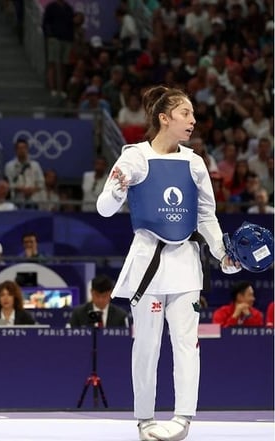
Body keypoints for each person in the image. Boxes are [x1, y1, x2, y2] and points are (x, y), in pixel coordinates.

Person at [96, 85, 241, 441]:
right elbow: (104, 208)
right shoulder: (134, 157)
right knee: (146, 343)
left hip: (185, 264)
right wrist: (117, 187)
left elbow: (206, 216)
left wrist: (222, 252)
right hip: (148, 264)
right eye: (185, 114)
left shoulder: (194, 163)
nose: (193, 120)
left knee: (186, 342)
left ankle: (183, 419)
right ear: (164, 118)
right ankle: (145, 418)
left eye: (192, 114)